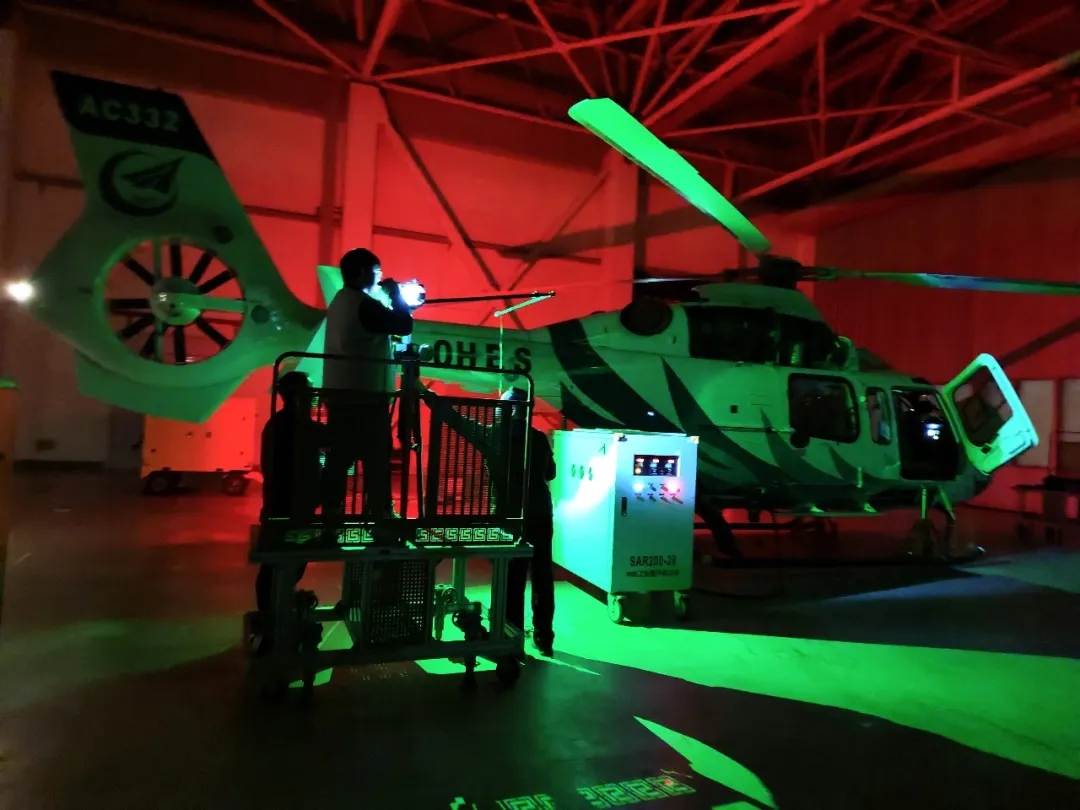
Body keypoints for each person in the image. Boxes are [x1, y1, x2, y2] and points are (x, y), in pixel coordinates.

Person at [417, 384, 557, 658]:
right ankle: (544, 639)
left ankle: (511, 639)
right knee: (542, 575)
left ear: (504, 410)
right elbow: (550, 473)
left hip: (509, 516)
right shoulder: (539, 438)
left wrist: (427, 396)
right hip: (540, 513)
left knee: (512, 578)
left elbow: (456, 420)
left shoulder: (493, 435)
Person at [321, 248, 415, 524]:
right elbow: (403, 324)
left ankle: (332, 514)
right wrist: (396, 295)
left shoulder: (341, 301)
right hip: (365, 396)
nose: (380, 277)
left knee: (339, 458)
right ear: (364, 272)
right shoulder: (363, 304)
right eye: (377, 272)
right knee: (376, 458)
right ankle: (379, 514)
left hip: (339, 392)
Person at [255, 371, 325, 637]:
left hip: (280, 510)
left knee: (277, 568)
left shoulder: (277, 424)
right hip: (291, 512)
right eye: (309, 392)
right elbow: (334, 439)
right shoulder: (298, 426)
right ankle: (274, 626)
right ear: (297, 397)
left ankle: (272, 623)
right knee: (284, 566)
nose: (314, 397)